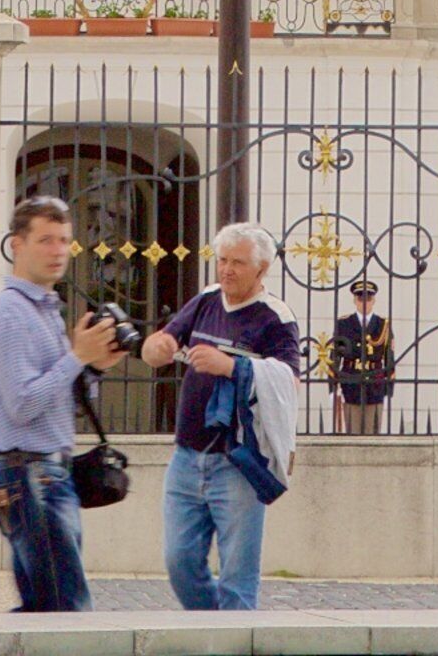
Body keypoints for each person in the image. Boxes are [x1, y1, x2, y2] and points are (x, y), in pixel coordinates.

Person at [139, 223, 305, 611]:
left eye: (238, 263)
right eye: (223, 260)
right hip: (186, 457)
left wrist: (230, 366)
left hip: (238, 461)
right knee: (179, 561)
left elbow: (289, 382)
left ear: (262, 270)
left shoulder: (275, 318)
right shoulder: (206, 300)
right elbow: (157, 346)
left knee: (238, 576)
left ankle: (229, 635)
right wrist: (157, 346)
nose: (227, 270)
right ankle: (212, 629)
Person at [0, 195, 124, 613]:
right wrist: (76, 357)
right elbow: (22, 404)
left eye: (64, 240)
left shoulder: (45, 311)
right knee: (66, 610)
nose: (58, 251)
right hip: (27, 474)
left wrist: (93, 367)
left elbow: (59, 400)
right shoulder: (8, 315)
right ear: (16, 245)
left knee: (45, 610)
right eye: (45, 240)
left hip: (46, 471)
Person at [326, 280, 393, 435]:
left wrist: (390, 389)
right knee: (352, 432)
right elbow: (335, 357)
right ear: (355, 300)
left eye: (368, 298)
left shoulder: (383, 324)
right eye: (360, 298)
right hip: (351, 382)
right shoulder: (344, 323)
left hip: (375, 383)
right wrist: (332, 387)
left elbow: (389, 358)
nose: (364, 302)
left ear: (374, 300)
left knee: (373, 434)